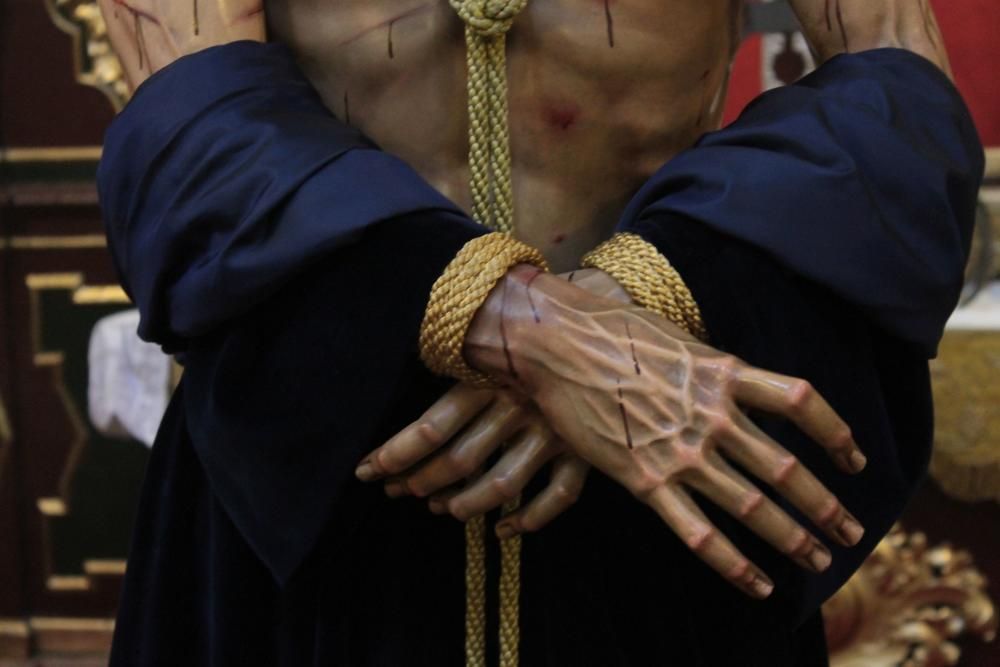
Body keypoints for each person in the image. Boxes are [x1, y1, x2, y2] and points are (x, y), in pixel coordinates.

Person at [95, 0, 983, 665]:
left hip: (659, 445)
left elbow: (898, 86)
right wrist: (532, 330)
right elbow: (193, 126)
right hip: (321, 467)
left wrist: (653, 286)